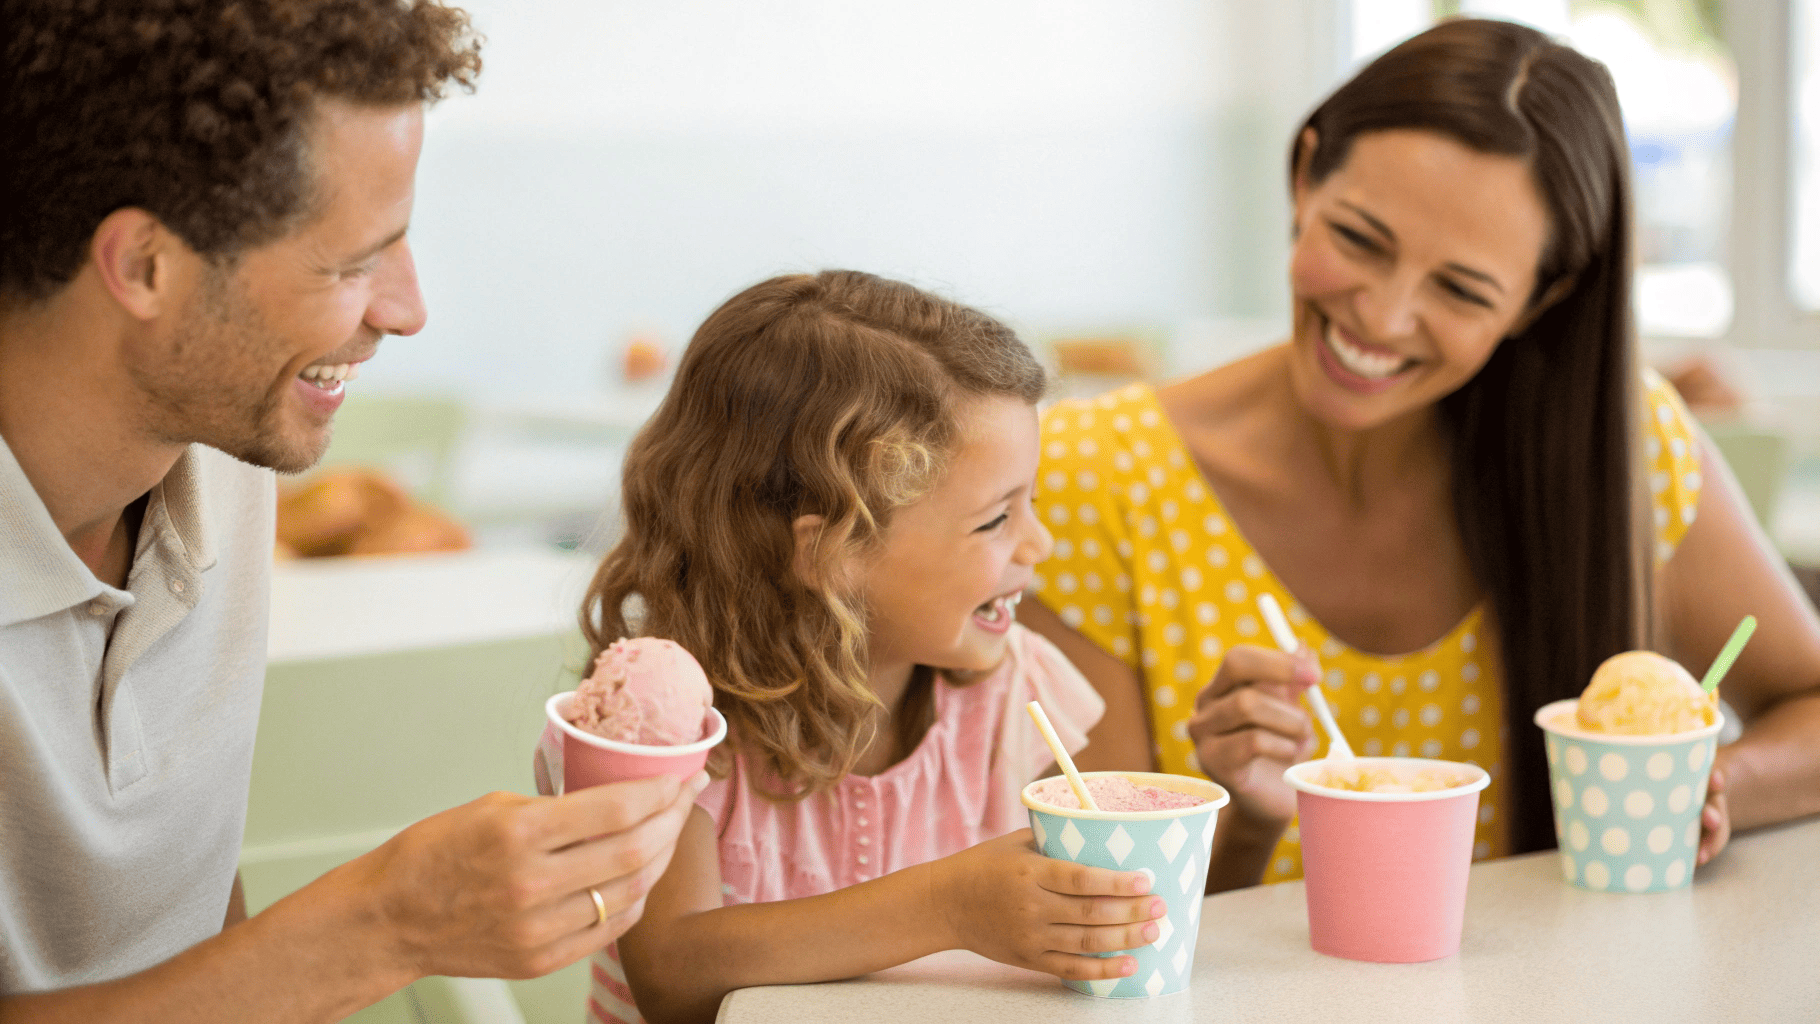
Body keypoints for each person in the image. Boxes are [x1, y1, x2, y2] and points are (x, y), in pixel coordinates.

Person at [0, 3, 700, 1019]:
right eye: (352, 261)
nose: (405, 309)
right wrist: (388, 925)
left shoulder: (223, 468)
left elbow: (184, 932)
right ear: (145, 265)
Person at [1020, 18, 1820, 893]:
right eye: (1361, 239)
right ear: (1303, 175)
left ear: (1536, 301)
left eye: (1462, 289)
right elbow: (1109, 906)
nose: (1385, 317)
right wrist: (1242, 818)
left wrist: (1704, 788)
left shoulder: (1627, 451)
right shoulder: (1087, 477)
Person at [568, 271, 1159, 1024]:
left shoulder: (1017, 690)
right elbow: (674, 979)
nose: (1038, 545)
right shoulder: (669, 717)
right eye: (993, 521)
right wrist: (948, 907)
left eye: (1031, 501)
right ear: (832, 553)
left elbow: (1122, 925)